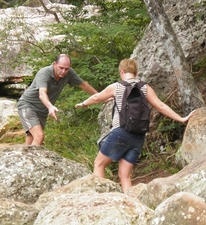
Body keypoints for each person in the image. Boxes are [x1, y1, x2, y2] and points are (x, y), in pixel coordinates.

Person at [75, 58, 195, 194]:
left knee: (99, 164)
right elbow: (161, 106)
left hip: (120, 132)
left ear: (121, 71)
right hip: (139, 135)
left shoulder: (117, 87)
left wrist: (83, 104)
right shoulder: (144, 87)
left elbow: (96, 98)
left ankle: (102, 201)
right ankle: (132, 202)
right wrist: (181, 118)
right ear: (135, 72)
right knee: (125, 175)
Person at [17, 54, 98, 146]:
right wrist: (50, 107)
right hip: (28, 105)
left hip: (42, 111)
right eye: (61, 68)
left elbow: (83, 85)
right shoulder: (44, 73)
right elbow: (42, 94)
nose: (63, 71)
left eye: (66, 69)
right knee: (39, 136)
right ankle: (32, 159)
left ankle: (24, 158)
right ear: (54, 64)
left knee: (31, 138)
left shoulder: (69, 73)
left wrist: (101, 96)